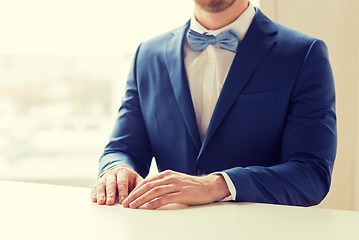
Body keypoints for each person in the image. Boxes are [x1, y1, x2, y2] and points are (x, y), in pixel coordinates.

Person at [91, 0, 337, 209]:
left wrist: (218, 185)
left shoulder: (303, 54)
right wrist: (117, 168)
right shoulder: (147, 54)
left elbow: (311, 174)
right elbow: (122, 148)